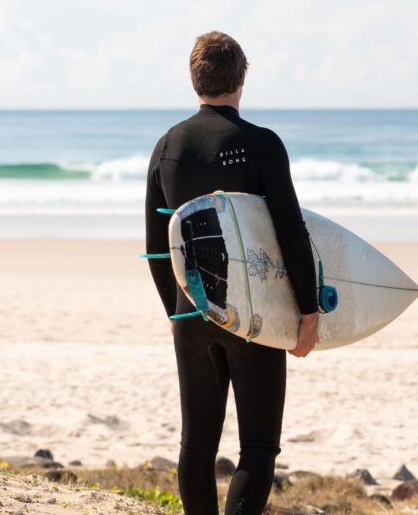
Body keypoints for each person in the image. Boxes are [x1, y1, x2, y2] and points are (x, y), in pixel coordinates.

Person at [144, 31, 320, 514]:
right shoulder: (262, 145)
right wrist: (308, 309)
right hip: (253, 317)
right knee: (259, 445)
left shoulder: (167, 147)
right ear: (241, 77)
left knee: (196, 445)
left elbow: (158, 250)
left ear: (193, 78)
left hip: (191, 312)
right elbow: (290, 231)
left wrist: (182, 314)